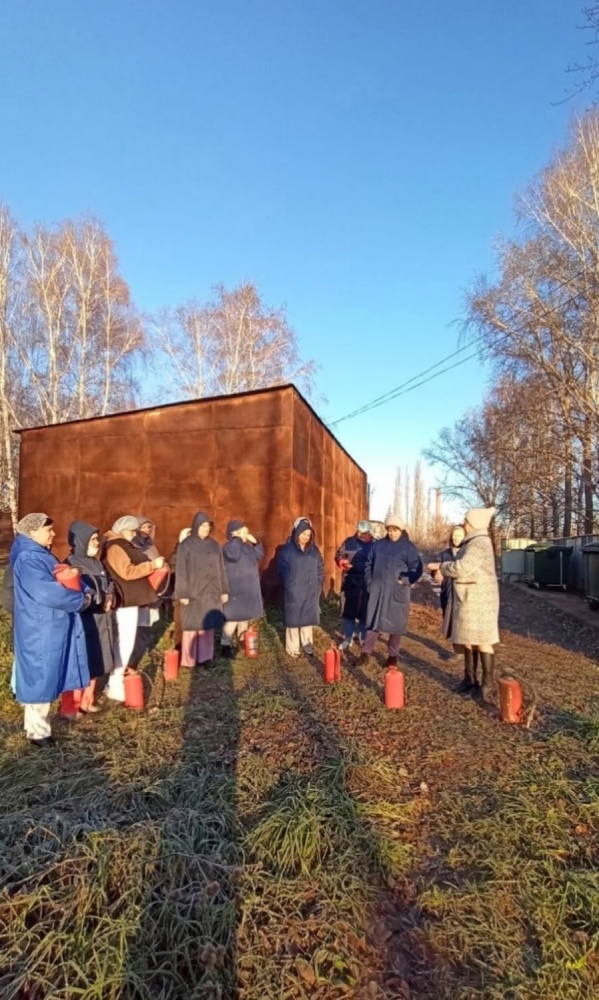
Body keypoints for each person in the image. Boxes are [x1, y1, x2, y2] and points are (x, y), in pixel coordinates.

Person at [10, 513, 91, 748]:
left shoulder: (41, 555)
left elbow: (64, 574)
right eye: (48, 530)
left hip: (48, 625)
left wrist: (84, 590)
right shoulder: (29, 559)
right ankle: (38, 734)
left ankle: (35, 727)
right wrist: (80, 600)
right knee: (40, 677)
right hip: (39, 627)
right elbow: (47, 592)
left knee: (45, 675)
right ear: (33, 532)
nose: (53, 534)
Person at [427, 507, 500, 702]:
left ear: (474, 523)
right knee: (468, 638)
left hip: (479, 601)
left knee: (483, 641)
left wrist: (441, 567)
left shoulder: (479, 543)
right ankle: (469, 678)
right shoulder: (473, 542)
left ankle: (487, 684)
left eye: (466, 521)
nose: (464, 523)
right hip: (469, 599)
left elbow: (462, 567)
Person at [102, 515, 165, 701]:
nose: (133, 534)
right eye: (131, 531)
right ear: (122, 530)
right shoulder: (116, 546)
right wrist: (152, 565)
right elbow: (127, 572)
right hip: (126, 601)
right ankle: (114, 683)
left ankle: (116, 680)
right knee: (125, 642)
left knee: (126, 641)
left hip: (131, 599)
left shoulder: (122, 544)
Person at [357, 513, 423, 667]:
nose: (392, 532)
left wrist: (406, 579)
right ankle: (365, 653)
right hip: (377, 590)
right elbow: (368, 564)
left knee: (395, 624)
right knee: (373, 621)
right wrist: (369, 582)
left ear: (401, 529)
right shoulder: (378, 545)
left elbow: (417, 568)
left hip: (397, 591)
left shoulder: (408, 547)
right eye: (389, 529)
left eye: (395, 529)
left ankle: (393, 655)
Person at [65, 521, 116, 714]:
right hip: (83, 621)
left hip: (101, 621)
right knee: (78, 663)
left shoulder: (96, 563)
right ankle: (70, 707)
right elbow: (72, 594)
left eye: (96, 539)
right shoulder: (71, 563)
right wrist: (99, 600)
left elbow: (108, 583)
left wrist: (110, 595)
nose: (96, 543)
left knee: (96, 659)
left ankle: (87, 701)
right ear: (81, 541)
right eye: (93, 540)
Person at [175, 512, 229, 668]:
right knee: (192, 626)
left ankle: (205, 658)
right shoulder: (186, 545)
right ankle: (188, 660)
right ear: (196, 526)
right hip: (193, 591)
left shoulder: (214, 544)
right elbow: (181, 570)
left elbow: (221, 568)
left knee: (207, 626)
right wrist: (182, 593)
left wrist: (224, 590)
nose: (206, 529)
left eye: (208, 526)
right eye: (203, 526)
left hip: (211, 591)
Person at [278, 517, 324, 657]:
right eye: (303, 534)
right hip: (295, 590)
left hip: (311, 590)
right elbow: (282, 569)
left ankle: (307, 643)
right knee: (293, 619)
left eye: (308, 535)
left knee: (307, 618)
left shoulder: (314, 550)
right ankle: (293, 647)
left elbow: (320, 567)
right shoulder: (287, 550)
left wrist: (318, 583)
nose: (306, 537)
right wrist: (290, 584)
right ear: (297, 533)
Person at [221, 519, 264, 657]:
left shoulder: (247, 547)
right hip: (235, 588)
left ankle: (242, 639)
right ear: (233, 533)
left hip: (247, 587)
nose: (245, 534)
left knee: (244, 617)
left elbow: (259, 555)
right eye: (242, 531)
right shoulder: (228, 546)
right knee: (232, 618)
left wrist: (256, 543)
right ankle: (225, 644)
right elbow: (233, 555)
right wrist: (238, 539)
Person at [335, 519, 374, 650]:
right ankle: (348, 638)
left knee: (365, 611)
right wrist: (341, 561)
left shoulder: (375, 545)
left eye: (364, 533)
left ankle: (362, 636)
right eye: (359, 531)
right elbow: (338, 555)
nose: (360, 534)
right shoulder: (349, 542)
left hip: (368, 582)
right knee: (348, 611)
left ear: (369, 533)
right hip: (350, 580)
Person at [438, 524, 467, 665]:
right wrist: (435, 572)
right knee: (450, 621)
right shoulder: (445, 554)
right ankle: (457, 650)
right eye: (454, 535)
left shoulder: (467, 553)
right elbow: (437, 569)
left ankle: (464, 651)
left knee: (462, 621)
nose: (456, 538)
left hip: (463, 593)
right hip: (447, 591)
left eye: (459, 535)